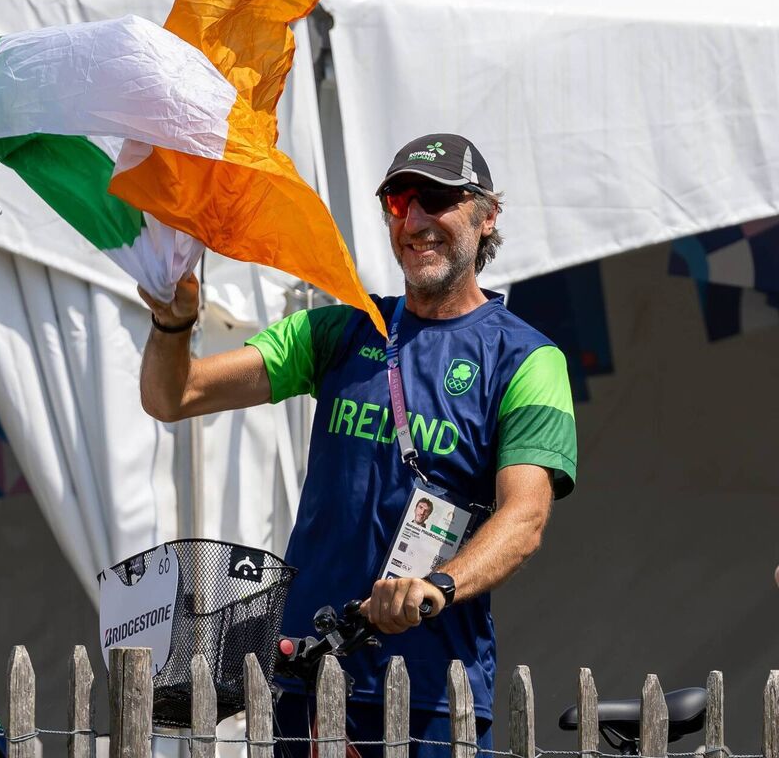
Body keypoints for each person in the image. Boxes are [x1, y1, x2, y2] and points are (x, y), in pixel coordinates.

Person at [139, 133, 577, 757]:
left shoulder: (527, 358)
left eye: (440, 199)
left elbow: (526, 515)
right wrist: (172, 321)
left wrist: (439, 587)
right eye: (400, 201)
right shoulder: (342, 327)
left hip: (431, 692)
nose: (417, 219)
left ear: (487, 216)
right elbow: (172, 396)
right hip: (306, 680)